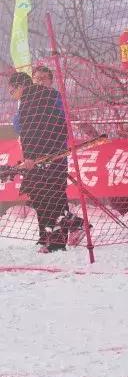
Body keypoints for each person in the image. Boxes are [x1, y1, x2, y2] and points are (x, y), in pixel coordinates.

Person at [7, 72, 81, 252]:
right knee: (44, 195)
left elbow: (33, 130)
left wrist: (32, 156)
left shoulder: (36, 99)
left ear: (20, 86)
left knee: (48, 196)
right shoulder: (37, 96)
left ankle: (55, 240)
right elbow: (26, 126)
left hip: (47, 156)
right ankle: (51, 236)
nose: (11, 94)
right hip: (47, 154)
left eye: (11, 91)